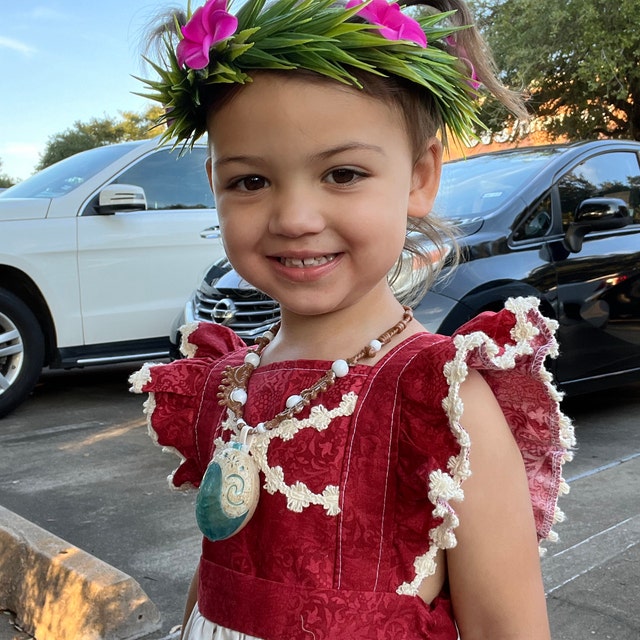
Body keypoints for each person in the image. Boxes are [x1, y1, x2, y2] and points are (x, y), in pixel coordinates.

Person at [130, 1, 575, 638]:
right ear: (214, 185)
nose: (295, 218)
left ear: (420, 176)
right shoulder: (225, 383)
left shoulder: (442, 405)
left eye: (342, 173)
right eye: (250, 181)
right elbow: (219, 574)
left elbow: (509, 629)